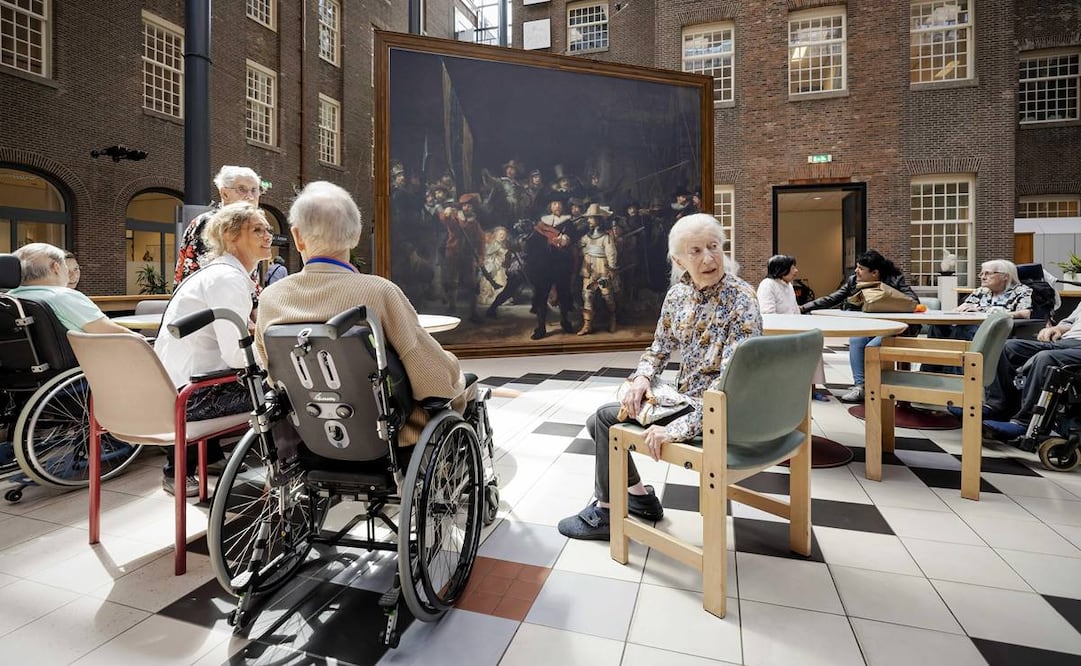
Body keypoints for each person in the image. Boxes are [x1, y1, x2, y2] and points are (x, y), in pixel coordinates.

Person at [557, 214, 762, 540]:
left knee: (603, 420)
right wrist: (641, 379)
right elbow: (659, 349)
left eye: (713, 247)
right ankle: (640, 498)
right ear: (679, 260)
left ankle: (609, 511)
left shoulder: (742, 298)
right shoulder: (677, 295)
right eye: (695, 251)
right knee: (610, 413)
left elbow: (736, 381)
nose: (708, 258)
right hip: (690, 400)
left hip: (720, 413)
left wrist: (677, 429)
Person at [255, 181, 467, 449]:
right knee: (460, 386)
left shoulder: (271, 298)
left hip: (311, 435)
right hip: (389, 437)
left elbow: (273, 374)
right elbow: (431, 379)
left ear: (297, 237)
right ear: (355, 236)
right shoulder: (378, 292)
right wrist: (455, 374)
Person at [155, 202, 273, 497]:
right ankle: (286, 476)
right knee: (288, 389)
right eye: (257, 229)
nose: (268, 235)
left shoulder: (213, 274)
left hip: (171, 390)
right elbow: (237, 356)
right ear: (230, 236)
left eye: (268, 229)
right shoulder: (228, 279)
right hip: (191, 398)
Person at [801, 249, 919, 403]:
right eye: (857, 267)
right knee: (857, 340)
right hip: (872, 327)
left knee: (872, 346)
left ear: (875, 273)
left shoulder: (895, 280)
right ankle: (861, 386)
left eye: (861, 268)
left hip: (895, 328)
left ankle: (878, 387)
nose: (856, 271)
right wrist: (803, 308)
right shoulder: (853, 281)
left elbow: (913, 301)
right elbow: (832, 298)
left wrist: (885, 299)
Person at [982, 303, 1081, 440]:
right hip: (1065, 341)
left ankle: (1025, 422)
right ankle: (997, 407)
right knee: (1008, 347)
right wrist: (1058, 328)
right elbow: (1070, 322)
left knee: (1045, 358)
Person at [924, 259, 1032, 375]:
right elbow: (965, 306)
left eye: (987, 273)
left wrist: (983, 311)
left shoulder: (1021, 291)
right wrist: (957, 310)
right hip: (970, 327)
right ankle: (929, 372)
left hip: (997, 331)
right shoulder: (981, 291)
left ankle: (955, 374)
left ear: (1005, 276)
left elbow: (1024, 313)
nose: (982, 277)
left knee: (964, 329)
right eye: (981, 273)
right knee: (938, 327)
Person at [8, 244, 136, 335]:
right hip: (86, 364)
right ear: (56, 267)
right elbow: (115, 333)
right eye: (65, 266)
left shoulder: (9, 298)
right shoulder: (63, 297)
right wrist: (145, 341)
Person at [757, 254, 829, 401]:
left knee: (814, 342)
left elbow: (795, 310)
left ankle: (811, 388)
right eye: (793, 268)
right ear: (782, 269)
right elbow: (768, 315)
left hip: (791, 330)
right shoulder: (767, 285)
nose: (796, 271)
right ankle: (802, 388)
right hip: (776, 334)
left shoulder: (788, 285)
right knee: (806, 345)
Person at [174, 165, 262, 284]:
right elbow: (199, 276)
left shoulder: (251, 225)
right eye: (242, 189)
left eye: (254, 190)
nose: (250, 197)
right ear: (224, 194)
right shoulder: (208, 223)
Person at [577, 204, 619, 335]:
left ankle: (612, 319)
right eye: (588, 218)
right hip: (588, 268)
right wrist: (586, 253)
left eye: (591, 218)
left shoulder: (606, 237)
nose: (589, 220)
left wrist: (611, 268)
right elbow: (580, 246)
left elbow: (611, 254)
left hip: (602, 268)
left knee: (607, 296)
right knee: (587, 296)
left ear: (599, 220)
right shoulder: (586, 236)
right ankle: (587, 324)